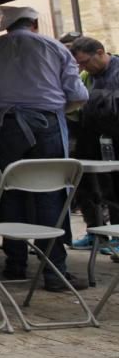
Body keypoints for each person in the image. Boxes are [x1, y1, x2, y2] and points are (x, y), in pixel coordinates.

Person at [0, 5, 89, 291]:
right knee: (49, 192)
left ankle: (15, 264)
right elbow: (78, 94)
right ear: (34, 23)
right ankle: (54, 271)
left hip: (5, 126)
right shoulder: (54, 48)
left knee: (9, 190)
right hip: (46, 123)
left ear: (7, 26)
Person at [69, 36, 119, 251]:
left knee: (115, 187)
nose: (83, 67)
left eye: (85, 61)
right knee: (85, 184)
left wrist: (94, 98)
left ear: (100, 52)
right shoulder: (86, 76)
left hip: (115, 136)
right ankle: (95, 232)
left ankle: (117, 234)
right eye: (79, 64)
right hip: (91, 136)